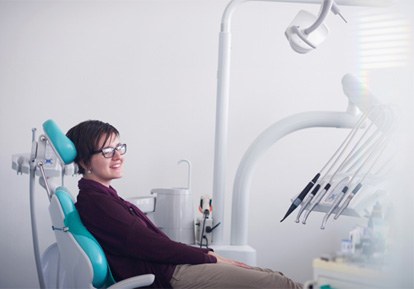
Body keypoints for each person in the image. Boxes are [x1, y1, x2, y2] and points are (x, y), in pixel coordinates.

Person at [66, 120, 303, 289]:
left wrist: (207, 255)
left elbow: (152, 243)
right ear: (85, 161)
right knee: (279, 284)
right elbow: (150, 245)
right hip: (171, 274)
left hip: (173, 267)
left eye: (119, 147)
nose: (118, 156)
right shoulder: (97, 203)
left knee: (271, 276)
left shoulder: (105, 197)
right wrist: (209, 257)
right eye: (108, 151)